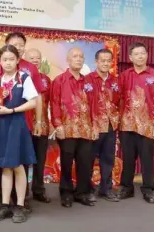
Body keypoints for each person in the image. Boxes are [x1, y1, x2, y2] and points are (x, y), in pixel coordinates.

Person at [0, 32, 44, 211]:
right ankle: (3, 203)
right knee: (4, 165)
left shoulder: (25, 76)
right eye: (5, 59)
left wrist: (36, 120)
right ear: (0, 61)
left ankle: (20, 204)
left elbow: (35, 100)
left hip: (18, 124)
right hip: (1, 125)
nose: (8, 62)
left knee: (18, 165)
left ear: (18, 59)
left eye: (12, 59)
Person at [118, 42, 154, 204]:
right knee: (128, 158)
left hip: (148, 125)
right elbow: (118, 99)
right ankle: (126, 188)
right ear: (130, 57)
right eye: (136, 54)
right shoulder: (124, 76)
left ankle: (148, 189)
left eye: (143, 53)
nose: (140, 56)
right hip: (127, 124)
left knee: (147, 159)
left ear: (147, 55)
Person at [50, 47, 96, 208]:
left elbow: (94, 105)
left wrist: (94, 125)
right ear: (68, 60)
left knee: (84, 163)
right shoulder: (59, 80)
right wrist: (58, 124)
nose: (78, 59)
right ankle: (66, 192)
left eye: (81, 56)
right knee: (67, 162)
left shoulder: (89, 82)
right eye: (75, 56)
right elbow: (54, 103)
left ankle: (82, 192)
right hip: (67, 129)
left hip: (85, 129)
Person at [85, 49, 120, 202]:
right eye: (102, 60)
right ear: (96, 62)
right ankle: (87, 188)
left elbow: (119, 101)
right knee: (88, 159)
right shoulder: (87, 80)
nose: (106, 63)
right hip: (93, 126)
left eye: (108, 61)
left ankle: (106, 189)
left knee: (108, 158)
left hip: (111, 126)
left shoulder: (115, 81)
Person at [24, 48, 52, 203]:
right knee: (24, 160)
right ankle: (23, 192)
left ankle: (38, 190)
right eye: (31, 58)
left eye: (38, 58)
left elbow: (52, 103)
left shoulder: (46, 80)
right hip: (25, 126)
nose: (35, 60)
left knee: (40, 160)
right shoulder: (21, 78)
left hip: (42, 126)